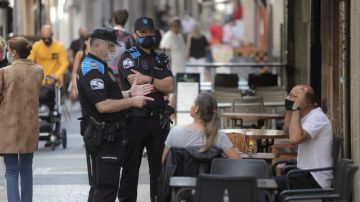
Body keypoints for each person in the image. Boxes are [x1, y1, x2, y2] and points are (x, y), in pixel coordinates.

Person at [77, 27, 154, 202]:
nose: (114, 50)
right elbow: (103, 105)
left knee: (102, 187)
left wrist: (130, 93)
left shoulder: (100, 66)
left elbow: (109, 96)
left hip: (108, 135)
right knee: (105, 190)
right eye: (110, 46)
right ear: (96, 45)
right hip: (104, 136)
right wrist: (133, 102)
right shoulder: (92, 69)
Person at [118, 17, 174, 202]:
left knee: (159, 172)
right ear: (135, 34)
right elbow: (134, 83)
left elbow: (170, 85)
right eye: (143, 32)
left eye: (150, 31)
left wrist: (149, 79)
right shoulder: (128, 57)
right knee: (130, 170)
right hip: (135, 119)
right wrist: (158, 82)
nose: (148, 35)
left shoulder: (160, 57)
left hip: (158, 121)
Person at [0, 37, 44, 202]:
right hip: (30, 125)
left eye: (9, 50)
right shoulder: (39, 70)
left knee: (11, 169)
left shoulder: (4, 72)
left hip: (8, 126)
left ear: (14, 52)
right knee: (27, 167)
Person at [274, 85, 333, 193]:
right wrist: (289, 109)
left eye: (293, 96)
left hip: (316, 179)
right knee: (271, 183)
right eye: (289, 95)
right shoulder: (305, 116)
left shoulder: (317, 118)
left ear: (305, 102)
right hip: (305, 174)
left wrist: (296, 107)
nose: (288, 98)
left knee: (269, 185)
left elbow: (294, 139)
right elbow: (288, 130)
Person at [162, 93, 239, 161]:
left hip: (181, 177)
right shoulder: (219, 136)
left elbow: (164, 163)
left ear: (196, 109)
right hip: (210, 177)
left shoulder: (175, 132)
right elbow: (238, 163)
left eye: (193, 103)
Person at [108, 9, 137, 89]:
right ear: (126, 20)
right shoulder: (129, 38)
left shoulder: (106, 35)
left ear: (114, 19)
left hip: (106, 74)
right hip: (124, 76)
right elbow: (135, 57)